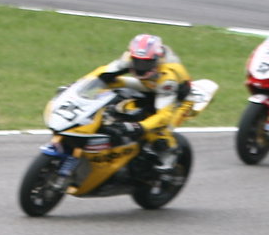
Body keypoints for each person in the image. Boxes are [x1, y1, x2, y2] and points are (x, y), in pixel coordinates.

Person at [78, 34, 195, 171]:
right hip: (150, 85)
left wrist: (139, 126)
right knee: (112, 83)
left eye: (146, 63)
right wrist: (79, 87)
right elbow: (102, 73)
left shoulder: (168, 76)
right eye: (137, 61)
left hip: (177, 98)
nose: (140, 67)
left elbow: (164, 115)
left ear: (157, 60)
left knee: (158, 130)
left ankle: (169, 155)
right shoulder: (128, 58)